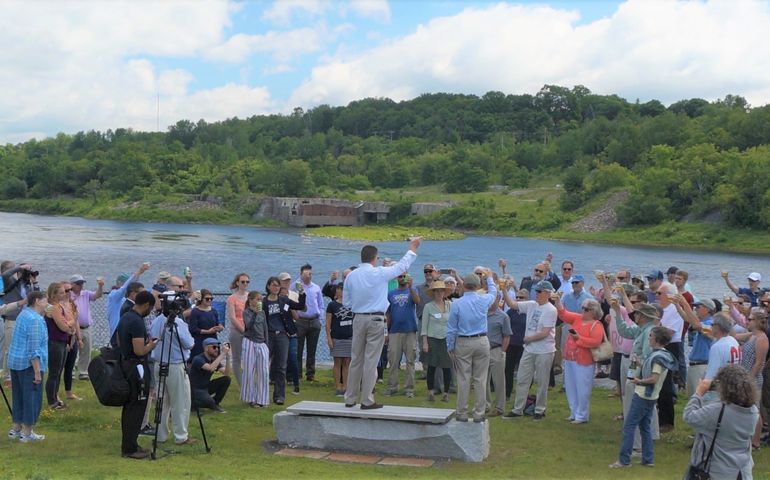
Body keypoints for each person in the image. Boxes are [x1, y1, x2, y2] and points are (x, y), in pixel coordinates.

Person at [343, 237, 421, 410]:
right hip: (376, 318)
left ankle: (350, 397)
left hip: (358, 318)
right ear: (374, 258)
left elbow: (346, 303)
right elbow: (401, 266)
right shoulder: (379, 272)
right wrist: (412, 248)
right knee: (371, 360)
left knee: (356, 359)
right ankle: (367, 399)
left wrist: (359, 303)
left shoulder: (350, 276)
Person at [610, 326, 677, 469]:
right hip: (651, 396)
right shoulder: (659, 354)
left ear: (657, 339)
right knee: (645, 427)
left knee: (629, 426)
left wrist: (638, 381)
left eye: (651, 336)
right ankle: (648, 459)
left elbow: (654, 378)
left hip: (644, 395)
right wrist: (641, 363)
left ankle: (624, 460)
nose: (649, 338)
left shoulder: (658, 357)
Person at [684, 365, 759, 480]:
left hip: (716, 472)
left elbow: (689, 416)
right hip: (741, 472)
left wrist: (699, 392)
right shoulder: (753, 411)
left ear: (724, 387)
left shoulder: (718, 411)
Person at [446, 271, 496, 422]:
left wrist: (450, 345)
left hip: (463, 341)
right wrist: (490, 278)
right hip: (481, 340)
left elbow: (451, 328)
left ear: (464, 286)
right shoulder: (483, 299)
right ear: (478, 286)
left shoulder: (457, 303)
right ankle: (479, 412)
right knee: (480, 378)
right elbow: (493, 292)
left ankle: (462, 412)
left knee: (463, 378)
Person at [504, 280, 558, 420]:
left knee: (542, 381)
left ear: (547, 293)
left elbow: (545, 332)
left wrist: (528, 338)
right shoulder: (531, 305)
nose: (537, 294)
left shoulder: (551, 309)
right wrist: (504, 290)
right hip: (529, 349)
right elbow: (512, 304)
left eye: (539, 292)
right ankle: (518, 409)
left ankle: (540, 410)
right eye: (536, 291)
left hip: (544, 350)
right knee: (522, 379)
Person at [115, 290, 159, 459]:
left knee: (130, 407)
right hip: (136, 367)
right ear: (146, 305)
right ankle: (129, 448)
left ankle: (130, 443)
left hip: (126, 363)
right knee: (137, 405)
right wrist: (151, 346)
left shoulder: (126, 316)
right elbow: (139, 350)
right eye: (151, 307)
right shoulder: (137, 322)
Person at [149, 297, 196, 446]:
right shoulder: (178, 323)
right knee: (180, 401)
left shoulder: (156, 321)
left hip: (158, 364)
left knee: (162, 402)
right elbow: (189, 343)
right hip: (175, 365)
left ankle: (160, 434)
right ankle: (181, 435)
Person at [553, 296, 604, 424]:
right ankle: (573, 412)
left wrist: (578, 339)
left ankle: (582, 415)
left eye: (586, 309)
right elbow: (563, 314)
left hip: (584, 360)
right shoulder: (577, 318)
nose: (583, 311)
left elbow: (596, 342)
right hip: (570, 358)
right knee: (570, 387)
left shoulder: (597, 324)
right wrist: (558, 301)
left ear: (593, 311)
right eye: (583, 308)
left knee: (583, 388)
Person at [7, 291, 48, 443]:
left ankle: (16, 428)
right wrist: (37, 372)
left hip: (15, 362)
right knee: (32, 397)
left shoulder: (23, 314)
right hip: (29, 365)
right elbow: (34, 348)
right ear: (37, 301)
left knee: (18, 396)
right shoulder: (35, 320)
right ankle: (27, 432)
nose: (47, 303)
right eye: (45, 300)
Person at [263, 276, 306, 405]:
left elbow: (300, 305)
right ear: (268, 286)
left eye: (278, 285)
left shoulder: (284, 300)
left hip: (282, 335)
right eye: (273, 285)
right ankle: (262, 394)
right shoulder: (264, 302)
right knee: (264, 365)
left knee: (281, 367)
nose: (276, 288)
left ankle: (279, 396)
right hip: (268, 336)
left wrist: (302, 293)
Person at [1, 262, 41, 384]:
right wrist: (19, 268)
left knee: (23, 347)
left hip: (25, 320)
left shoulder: (27, 285)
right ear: (18, 272)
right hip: (12, 318)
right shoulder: (11, 283)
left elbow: (38, 297)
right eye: (25, 272)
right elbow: (4, 275)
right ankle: (7, 376)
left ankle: (18, 371)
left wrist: (34, 282)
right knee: (9, 348)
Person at [735, 308, 768, 449]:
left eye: (750, 319)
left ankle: (755, 441)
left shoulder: (762, 339)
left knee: (754, 409)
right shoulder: (752, 335)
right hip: (745, 376)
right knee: (747, 408)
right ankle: (747, 438)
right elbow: (736, 336)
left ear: (757, 322)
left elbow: (759, 362)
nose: (747, 321)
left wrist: (749, 378)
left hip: (753, 378)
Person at [385, 272, 420, 398]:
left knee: (410, 360)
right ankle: (392, 386)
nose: (402, 278)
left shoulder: (412, 290)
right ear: (397, 278)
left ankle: (409, 388)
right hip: (394, 331)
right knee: (393, 360)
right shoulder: (391, 293)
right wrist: (386, 332)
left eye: (404, 276)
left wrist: (411, 287)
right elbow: (388, 313)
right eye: (400, 276)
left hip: (410, 330)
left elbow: (417, 301)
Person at [44, 282, 76, 409]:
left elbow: (69, 321)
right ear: (54, 294)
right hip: (54, 342)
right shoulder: (52, 308)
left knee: (58, 372)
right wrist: (70, 324)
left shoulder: (60, 306)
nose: (65, 294)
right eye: (61, 292)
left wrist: (69, 326)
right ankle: (52, 401)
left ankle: (55, 397)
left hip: (62, 342)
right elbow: (62, 326)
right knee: (54, 372)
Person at [292, 264, 324, 382]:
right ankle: (298, 374)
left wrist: (320, 319)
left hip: (314, 321)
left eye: (310, 274)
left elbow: (321, 304)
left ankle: (310, 374)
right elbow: (291, 302)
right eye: (306, 274)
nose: (309, 276)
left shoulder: (316, 287)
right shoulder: (295, 286)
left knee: (312, 349)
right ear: (301, 274)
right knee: (298, 349)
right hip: (300, 321)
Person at [421, 280, 452, 402]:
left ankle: (446, 393)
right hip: (432, 338)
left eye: (441, 290)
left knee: (447, 366)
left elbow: (454, 323)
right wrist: (425, 342)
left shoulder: (450, 305)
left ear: (444, 292)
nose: (439, 293)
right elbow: (424, 326)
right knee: (432, 366)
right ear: (433, 293)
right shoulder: (428, 307)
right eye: (437, 291)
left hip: (446, 339)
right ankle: (430, 392)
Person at [69, 274, 104, 380]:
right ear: (72, 284)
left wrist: (100, 286)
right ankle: (71, 371)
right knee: (72, 350)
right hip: (73, 327)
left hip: (86, 326)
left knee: (86, 350)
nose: (81, 286)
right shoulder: (68, 295)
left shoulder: (85, 294)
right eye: (78, 283)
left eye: (82, 283)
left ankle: (83, 371)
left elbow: (97, 295)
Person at [486, 289, 512, 418]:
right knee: (482, 380)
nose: (491, 302)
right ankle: (485, 404)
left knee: (498, 380)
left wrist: (502, 352)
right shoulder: (481, 314)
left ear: (499, 300)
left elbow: (507, 336)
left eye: (494, 298)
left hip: (496, 349)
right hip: (482, 351)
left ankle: (500, 407)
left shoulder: (503, 316)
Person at [241, 291, 269, 408]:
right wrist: (255, 314)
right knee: (249, 370)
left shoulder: (262, 313)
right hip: (250, 341)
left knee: (264, 371)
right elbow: (248, 325)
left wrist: (267, 344)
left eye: (260, 299)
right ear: (250, 300)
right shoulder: (246, 312)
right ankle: (250, 398)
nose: (259, 301)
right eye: (257, 299)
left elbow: (265, 328)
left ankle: (262, 399)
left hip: (261, 342)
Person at [108, 262, 151, 337]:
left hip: (128, 330)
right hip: (117, 332)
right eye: (126, 283)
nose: (129, 286)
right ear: (118, 283)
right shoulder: (113, 296)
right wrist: (139, 271)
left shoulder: (129, 297)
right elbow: (124, 288)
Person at [189, 338, 231, 413]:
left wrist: (228, 357)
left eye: (218, 347)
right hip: (195, 389)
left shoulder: (214, 360)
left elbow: (226, 373)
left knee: (226, 379)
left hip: (205, 387)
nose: (217, 349)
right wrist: (223, 354)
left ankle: (215, 403)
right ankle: (193, 404)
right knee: (209, 402)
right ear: (206, 348)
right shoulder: (198, 359)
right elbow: (210, 368)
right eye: (214, 347)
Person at [326, 283, 353, 397]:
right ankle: (338, 386)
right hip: (336, 336)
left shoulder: (352, 304)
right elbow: (328, 323)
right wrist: (329, 338)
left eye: (342, 289)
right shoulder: (332, 305)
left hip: (349, 336)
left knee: (347, 362)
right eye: (339, 289)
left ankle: (346, 386)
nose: (340, 291)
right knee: (337, 362)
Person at [504, 289, 528, 402]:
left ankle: (523, 394)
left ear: (527, 299)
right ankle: (507, 393)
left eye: (521, 298)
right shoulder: (510, 312)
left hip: (524, 345)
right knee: (508, 370)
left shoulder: (529, 311)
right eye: (517, 297)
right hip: (511, 344)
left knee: (524, 371)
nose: (518, 299)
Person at [226, 273, 250, 386]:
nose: (245, 284)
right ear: (237, 283)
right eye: (243, 282)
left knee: (249, 357)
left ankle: (248, 381)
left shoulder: (250, 296)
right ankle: (242, 385)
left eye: (247, 282)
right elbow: (232, 317)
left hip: (250, 331)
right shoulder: (232, 298)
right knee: (237, 358)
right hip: (236, 331)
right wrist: (242, 330)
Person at [188, 289, 222, 358]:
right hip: (199, 341)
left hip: (212, 340)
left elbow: (218, 323)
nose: (209, 300)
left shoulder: (213, 311)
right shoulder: (195, 311)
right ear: (201, 299)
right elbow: (193, 329)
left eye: (211, 299)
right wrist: (208, 331)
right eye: (207, 299)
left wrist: (220, 327)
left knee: (214, 361)